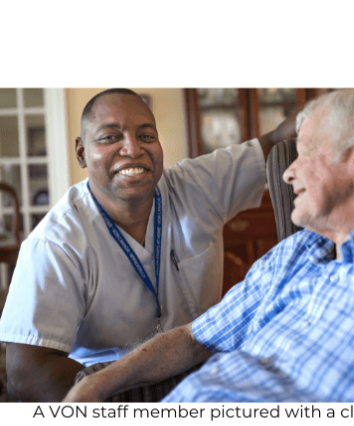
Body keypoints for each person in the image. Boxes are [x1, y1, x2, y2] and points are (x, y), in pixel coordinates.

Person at [64, 88, 354, 403]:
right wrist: (99, 383)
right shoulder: (297, 252)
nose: (287, 175)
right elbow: (196, 338)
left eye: (305, 151)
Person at [0, 88, 297, 402]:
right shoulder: (55, 243)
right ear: (81, 153)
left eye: (146, 135)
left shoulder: (196, 185)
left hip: (204, 375)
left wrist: (313, 116)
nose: (132, 148)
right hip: (111, 388)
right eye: (110, 137)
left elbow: (276, 142)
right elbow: (26, 373)